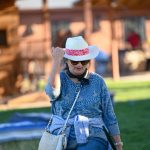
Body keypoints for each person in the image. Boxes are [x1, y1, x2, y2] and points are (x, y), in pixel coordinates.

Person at [45, 36, 123, 150]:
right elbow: (52, 91)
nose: (80, 65)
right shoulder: (59, 78)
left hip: (93, 136)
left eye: (84, 61)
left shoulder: (98, 81)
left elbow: (109, 116)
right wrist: (56, 60)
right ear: (67, 61)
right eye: (75, 61)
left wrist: (118, 144)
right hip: (62, 138)